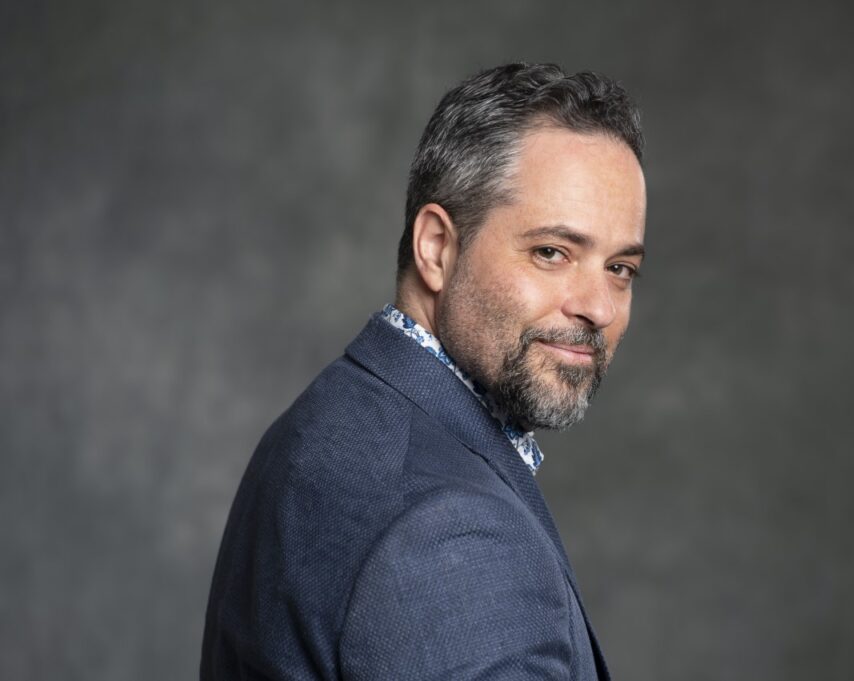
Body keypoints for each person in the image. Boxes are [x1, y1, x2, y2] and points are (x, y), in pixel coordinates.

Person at [201, 62, 646, 680]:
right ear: (437, 246)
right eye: (551, 252)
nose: (597, 306)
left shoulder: (323, 424)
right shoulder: (453, 534)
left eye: (620, 268)